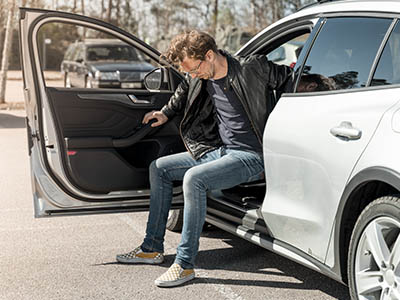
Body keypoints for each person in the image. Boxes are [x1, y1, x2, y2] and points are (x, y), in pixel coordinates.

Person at [116, 30, 293, 287]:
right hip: (220, 150)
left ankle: (185, 265)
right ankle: (152, 247)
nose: (192, 75)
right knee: (160, 168)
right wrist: (165, 113)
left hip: (252, 156)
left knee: (193, 179)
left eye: (194, 69)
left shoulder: (251, 68)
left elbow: (292, 80)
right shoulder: (200, 76)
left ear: (209, 56)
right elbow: (185, 88)